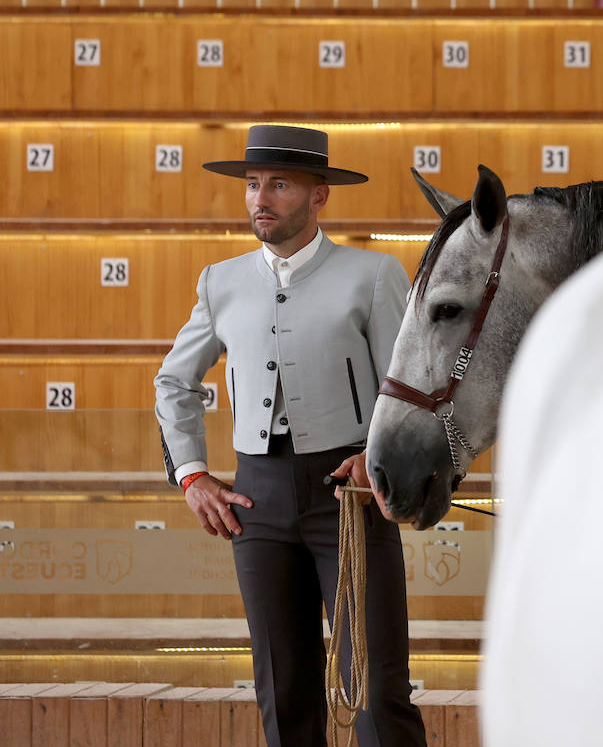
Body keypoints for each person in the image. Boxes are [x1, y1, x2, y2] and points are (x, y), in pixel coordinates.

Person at [153, 124, 425, 747]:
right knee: (283, 691)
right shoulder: (220, 281)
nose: (259, 199)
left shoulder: (374, 274)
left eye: (278, 183)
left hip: (348, 497)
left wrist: (376, 456)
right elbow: (174, 382)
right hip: (258, 501)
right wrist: (192, 475)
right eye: (252, 184)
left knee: (376, 691)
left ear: (318, 196)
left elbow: (407, 388)